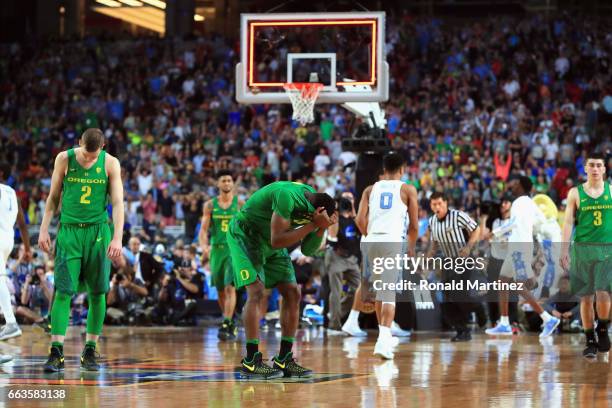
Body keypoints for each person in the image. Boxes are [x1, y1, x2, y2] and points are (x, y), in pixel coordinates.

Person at [227, 181, 336, 379]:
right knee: (256, 291)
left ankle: (284, 358)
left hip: (271, 243)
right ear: (319, 210)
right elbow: (278, 239)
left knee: (293, 292)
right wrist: (313, 224)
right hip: (246, 235)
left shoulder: (314, 202)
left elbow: (307, 250)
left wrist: (321, 229)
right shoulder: (287, 196)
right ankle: (251, 360)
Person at [38, 128, 124, 372]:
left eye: (93, 156)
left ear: (103, 147)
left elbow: (117, 203)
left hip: (98, 232)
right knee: (63, 291)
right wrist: (44, 229)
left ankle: (90, 350)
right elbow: (53, 197)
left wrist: (117, 237)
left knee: (98, 293)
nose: (89, 160)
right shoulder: (64, 158)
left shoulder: (111, 163)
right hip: (69, 231)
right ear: (79, 144)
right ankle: (56, 352)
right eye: (86, 155)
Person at [355, 153, 419, 359]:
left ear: (384, 169)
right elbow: (415, 226)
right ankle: (383, 341)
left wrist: (368, 235)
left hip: (372, 240)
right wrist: (409, 247)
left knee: (381, 290)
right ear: (402, 169)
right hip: (392, 240)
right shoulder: (408, 189)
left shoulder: (369, 189)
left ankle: (384, 337)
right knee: (389, 291)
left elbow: (359, 220)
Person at [486, 176, 560, 339]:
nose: (512, 185)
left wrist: (495, 233)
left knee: (519, 286)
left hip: (519, 247)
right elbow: (541, 222)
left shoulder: (519, 202)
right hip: (520, 246)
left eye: (516, 183)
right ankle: (504, 322)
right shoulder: (532, 203)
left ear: (521, 186)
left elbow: (513, 223)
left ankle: (548, 319)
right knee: (503, 281)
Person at [561, 151, 611, 358]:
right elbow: (568, 222)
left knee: (603, 293)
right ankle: (590, 339)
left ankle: (603, 329)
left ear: (604, 169)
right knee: (586, 297)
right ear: (585, 168)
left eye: (599, 165)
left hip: (607, 247)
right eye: (592, 165)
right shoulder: (575, 193)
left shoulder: (611, 190)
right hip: (582, 248)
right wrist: (563, 249)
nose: (596, 169)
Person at [427, 192, 481, 342]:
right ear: (431, 206)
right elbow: (434, 245)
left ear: (446, 203)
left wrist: (469, 247)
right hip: (447, 262)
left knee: (459, 294)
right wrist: (426, 261)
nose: (437, 207)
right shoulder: (432, 222)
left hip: (463, 259)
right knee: (446, 299)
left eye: (440, 203)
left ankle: (475, 308)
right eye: (434, 204)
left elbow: (476, 229)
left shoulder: (458, 215)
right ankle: (461, 330)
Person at [199, 170, 243, 341]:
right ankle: (229, 319)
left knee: (229, 287)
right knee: (219, 290)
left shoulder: (239, 204)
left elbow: (246, 228)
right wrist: (204, 247)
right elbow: (203, 230)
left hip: (233, 249)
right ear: (218, 184)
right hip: (216, 249)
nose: (226, 183)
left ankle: (226, 321)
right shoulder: (210, 205)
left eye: (229, 180)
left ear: (233, 183)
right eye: (223, 180)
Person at [0, 163, 32, 342]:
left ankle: (11, 323)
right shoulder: (12, 193)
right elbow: (22, 224)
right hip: (8, 240)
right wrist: (27, 248)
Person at [324, 193, 361, 331]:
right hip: (336, 256)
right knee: (336, 290)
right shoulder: (335, 219)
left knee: (359, 289)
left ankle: (335, 312)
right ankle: (334, 326)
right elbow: (332, 239)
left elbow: (361, 227)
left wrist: (353, 211)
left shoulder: (353, 220)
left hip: (350, 258)